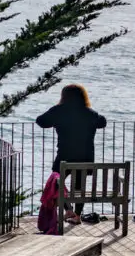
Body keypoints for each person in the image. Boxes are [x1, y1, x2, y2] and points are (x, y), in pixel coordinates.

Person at [37, 84, 107, 225]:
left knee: (56, 182)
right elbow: (102, 122)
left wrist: (56, 119)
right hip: (85, 157)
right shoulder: (90, 113)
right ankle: (77, 215)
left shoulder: (58, 111)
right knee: (79, 187)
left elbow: (41, 121)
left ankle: (68, 209)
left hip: (64, 155)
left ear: (64, 96)